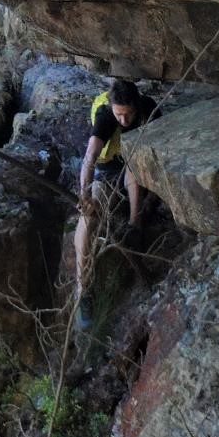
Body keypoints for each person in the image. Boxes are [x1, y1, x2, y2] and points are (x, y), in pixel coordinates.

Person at [73, 78, 159, 290]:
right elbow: (90, 157)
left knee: (133, 163)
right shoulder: (105, 116)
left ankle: (134, 225)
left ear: (136, 106)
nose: (123, 120)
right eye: (118, 114)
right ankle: (82, 287)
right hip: (107, 171)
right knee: (88, 219)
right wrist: (85, 195)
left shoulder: (149, 109)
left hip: (135, 168)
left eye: (128, 113)